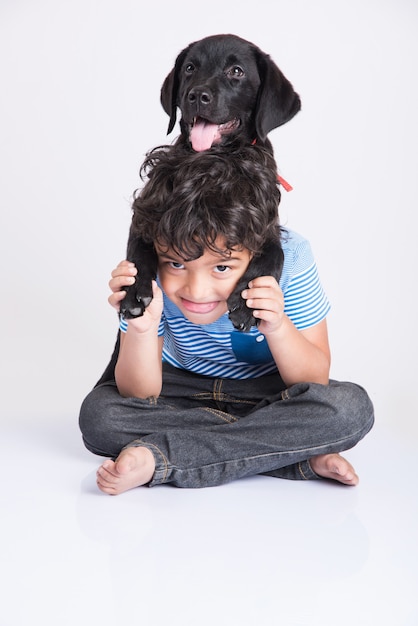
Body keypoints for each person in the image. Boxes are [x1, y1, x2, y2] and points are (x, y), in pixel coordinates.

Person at [79, 146, 374, 495]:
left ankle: (162, 458)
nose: (197, 290)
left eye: (222, 267)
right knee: (101, 416)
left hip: (265, 392)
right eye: (176, 264)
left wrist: (278, 327)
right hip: (179, 388)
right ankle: (291, 454)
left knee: (349, 408)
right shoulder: (146, 267)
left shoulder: (291, 257)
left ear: (257, 251)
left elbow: (313, 380)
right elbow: (139, 393)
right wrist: (141, 329)